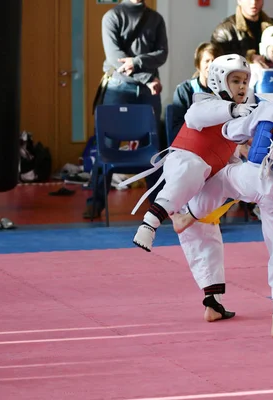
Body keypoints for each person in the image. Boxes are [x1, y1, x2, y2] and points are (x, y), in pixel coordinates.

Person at [172, 44, 273, 339]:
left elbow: (232, 133)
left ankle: (188, 214)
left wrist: (250, 127)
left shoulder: (267, 105)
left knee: (220, 178)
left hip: (251, 175)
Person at [131, 54, 256, 252]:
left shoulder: (236, 118)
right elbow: (194, 117)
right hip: (185, 163)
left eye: (245, 82)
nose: (242, 86)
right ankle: (150, 222)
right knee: (194, 168)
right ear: (220, 81)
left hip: (205, 179)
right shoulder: (204, 103)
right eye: (235, 81)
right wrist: (233, 110)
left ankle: (187, 219)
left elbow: (229, 154)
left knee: (237, 179)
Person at [84, 0, 168, 219]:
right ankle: (95, 202)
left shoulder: (156, 18)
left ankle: (159, 205)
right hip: (119, 87)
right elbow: (115, 59)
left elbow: (162, 54)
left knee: (153, 148)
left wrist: (138, 63)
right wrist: (147, 76)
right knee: (107, 144)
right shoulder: (111, 17)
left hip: (148, 91)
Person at [211, 0, 273, 67]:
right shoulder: (224, 29)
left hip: (271, 79)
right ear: (239, 0)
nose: (253, 2)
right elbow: (217, 58)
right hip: (239, 81)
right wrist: (248, 57)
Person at [170, 42, 223, 136]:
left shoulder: (225, 91)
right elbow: (176, 127)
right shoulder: (184, 90)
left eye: (214, 61)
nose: (211, 65)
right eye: (207, 61)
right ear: (198, 65)